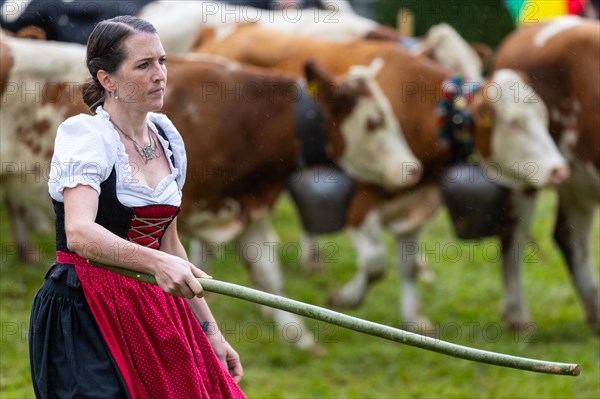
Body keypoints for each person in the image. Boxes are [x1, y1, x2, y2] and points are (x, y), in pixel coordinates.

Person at [28, 15, 246, 398]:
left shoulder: (167, 137)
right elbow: (80, 234)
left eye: (162, 61)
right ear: (106, 79)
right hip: (87, 309)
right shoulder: (86, 138)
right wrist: (158, 264)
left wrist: (210, 333)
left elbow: (170, 246)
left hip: (153, 308)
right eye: (143, 65)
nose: (159, 74)